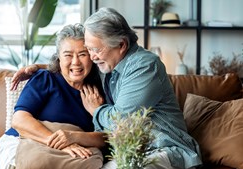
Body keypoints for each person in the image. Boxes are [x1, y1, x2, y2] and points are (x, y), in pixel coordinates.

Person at [11, 7, 203, 169]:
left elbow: (120, 122)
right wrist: (39, 68)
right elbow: (75, 64)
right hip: (132, 150)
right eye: (90, 49)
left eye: (94, 50)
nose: (92, 57)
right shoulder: (108, 62)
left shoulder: (144, 66)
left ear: (121, 45)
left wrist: (96, 110)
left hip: (165, 149)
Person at [0, 24, 107, 169]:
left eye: (82, 54)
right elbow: (19, 120)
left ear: (91, 56)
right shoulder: (45, 78)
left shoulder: (99, 90)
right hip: (26, 140)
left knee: (93, 161)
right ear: (58, 58)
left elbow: (106, 138)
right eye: (68, 55)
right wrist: (59, 143)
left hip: (75, 149)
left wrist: (96, 112)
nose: (75, 62)